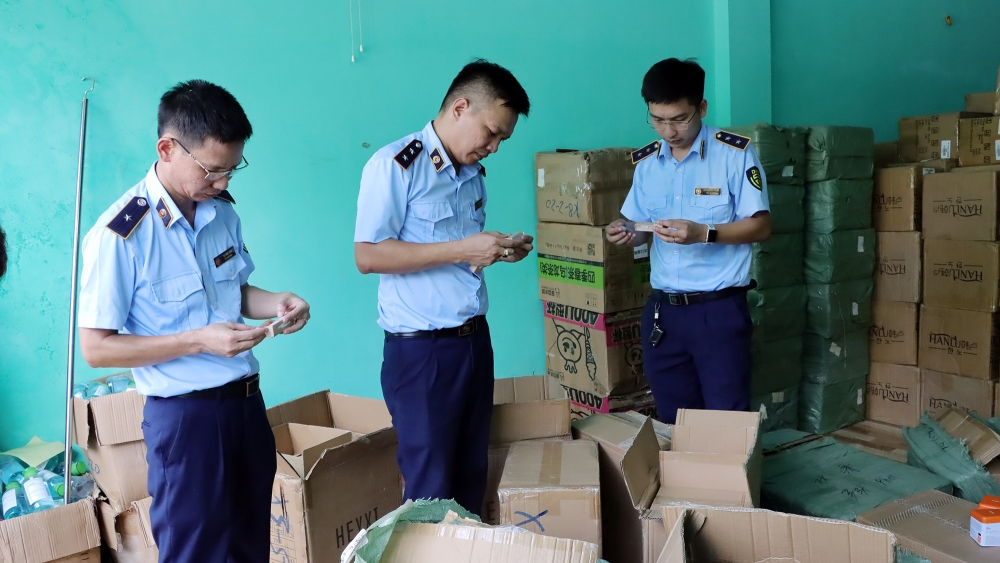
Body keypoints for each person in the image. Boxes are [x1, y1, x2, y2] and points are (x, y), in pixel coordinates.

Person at [78, 80, 310, 563]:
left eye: (231, 169)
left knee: (251, 548)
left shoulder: (220, 214)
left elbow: (234, 293)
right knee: (196, 553)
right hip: (187, 421)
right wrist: (198, 342)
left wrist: (279, 303)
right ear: (167, 149)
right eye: (212, 170)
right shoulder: (121, 234)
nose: (222, 183)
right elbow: (96, 348)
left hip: (246, 408)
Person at [354, 59, 533, 515]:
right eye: (491, 133)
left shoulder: (472, 175)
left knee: (472, 477)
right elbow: (368, 255)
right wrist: (463, 249)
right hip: (422, 354)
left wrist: (497, 250)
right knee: (430, 490)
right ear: (460, 108)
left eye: (503, 140)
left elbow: (458, 256)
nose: (494, 147)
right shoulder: (396, 165)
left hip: (473, 343)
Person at [605, 58, 771, 424]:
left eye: (679, 119)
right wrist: (624, 231)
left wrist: (704, 233)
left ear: (702, 107)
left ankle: (728, 466)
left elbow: (760, 227)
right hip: (663, 312)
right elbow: (638, 224)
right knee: (674, 419)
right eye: (657, 119)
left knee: (725, 419)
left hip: (718, 310)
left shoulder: (734, 154)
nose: (669, 130)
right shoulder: (648, 162)